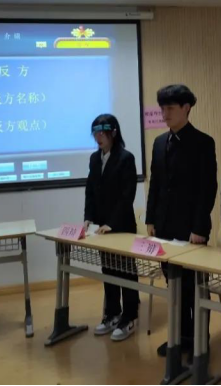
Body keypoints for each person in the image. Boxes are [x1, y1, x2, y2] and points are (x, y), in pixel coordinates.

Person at [145, 84, 217, 357]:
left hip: (191, 229)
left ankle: (200, 340)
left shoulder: (203, 142)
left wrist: (199, 228)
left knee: (195, 287)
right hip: (164, 227)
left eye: (170, 108)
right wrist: (151, 218)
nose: (164, 114)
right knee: (174, 286)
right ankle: (181, 336)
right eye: (162, 108)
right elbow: (155, 184)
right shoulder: (159, 142)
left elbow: (207, 188)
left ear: (186, 108)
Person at [84, 114, 140, 342]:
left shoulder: (126, 158)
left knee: (126, 271)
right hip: (102, 228)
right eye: (95, 133)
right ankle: (112, 313)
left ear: (113, 133)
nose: (98, 137)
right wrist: (88, 218)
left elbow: (127, 195)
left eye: (102, 132)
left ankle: (130, 316)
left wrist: (112, 223)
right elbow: (90, 190)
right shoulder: (94, 158)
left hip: (122, 226)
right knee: (108, 270)